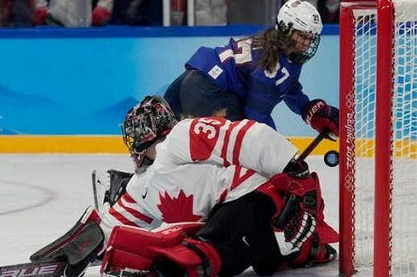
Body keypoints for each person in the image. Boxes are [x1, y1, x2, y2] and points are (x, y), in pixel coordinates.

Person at [29, 95, 338, 277]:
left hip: (263, 206)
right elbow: (109, 227)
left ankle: (307, 246)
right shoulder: (141, 186)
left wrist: (296, 176)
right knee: (225, 256)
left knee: (221, 228)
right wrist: (65, 257)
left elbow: (250, 137)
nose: (134, 141)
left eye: (137, 132)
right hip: (248, 240)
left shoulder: (181, 137)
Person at [164, 0, 339, 140]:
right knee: (236, 146)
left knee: (164, 141)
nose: (306, 43)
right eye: (302, 36)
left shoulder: (275, 47)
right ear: (286, 28)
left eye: (311, 38)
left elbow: (288, 87)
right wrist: (281, 154)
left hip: (195, 78)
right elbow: (257, 120)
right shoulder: (270, 65)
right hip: (207, 92)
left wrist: (306, 108)